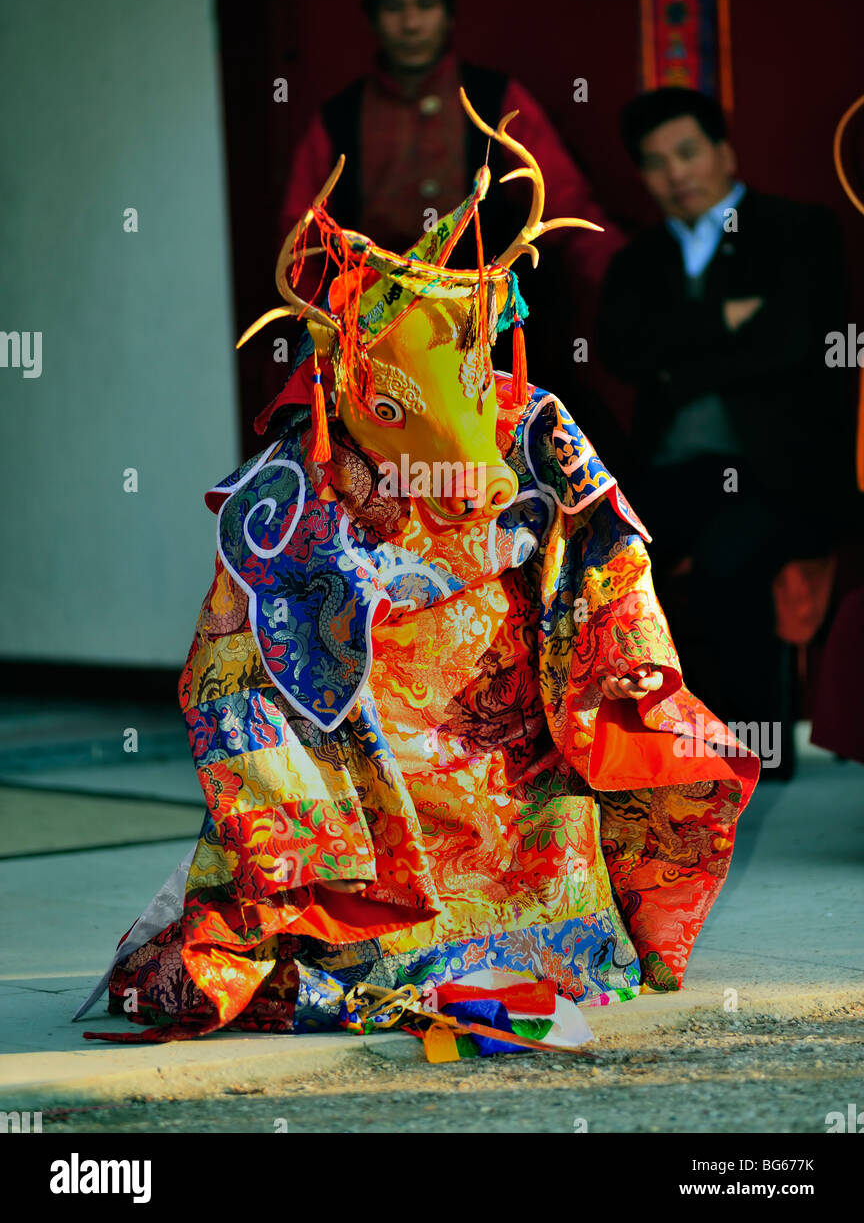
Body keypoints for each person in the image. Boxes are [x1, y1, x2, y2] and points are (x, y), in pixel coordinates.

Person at [77, 111, 758, 1048]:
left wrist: (606, 645)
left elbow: (610, 555)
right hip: (372, 719)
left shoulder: (529, 419)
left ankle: (533, 942)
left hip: (505, 710)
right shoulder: (309, 452)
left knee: (546, 796)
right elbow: (244, 628)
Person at [279, 0, 625, 435]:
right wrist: (321, 342)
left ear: (450, 14)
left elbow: (565, 209)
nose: (411, 22)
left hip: (490, 349)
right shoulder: (337, 121)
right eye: (394, 7)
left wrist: (635, 279)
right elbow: (302, 249)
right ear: (373, 18)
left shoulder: (496, 99)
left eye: (425, 5)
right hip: (374, 358)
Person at [597, 86, 851, 743]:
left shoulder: (799, 230)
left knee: (729, 559)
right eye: (657, 162)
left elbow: (792, 341)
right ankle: (635, 751)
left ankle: (747, 752)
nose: (676, 174)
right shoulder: (638, 261)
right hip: (671, 474)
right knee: (598, 555)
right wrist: (727, 322)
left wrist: (677, 354)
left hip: (777, 474)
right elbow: (622, 352)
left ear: (724, 151)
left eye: (687, 152)